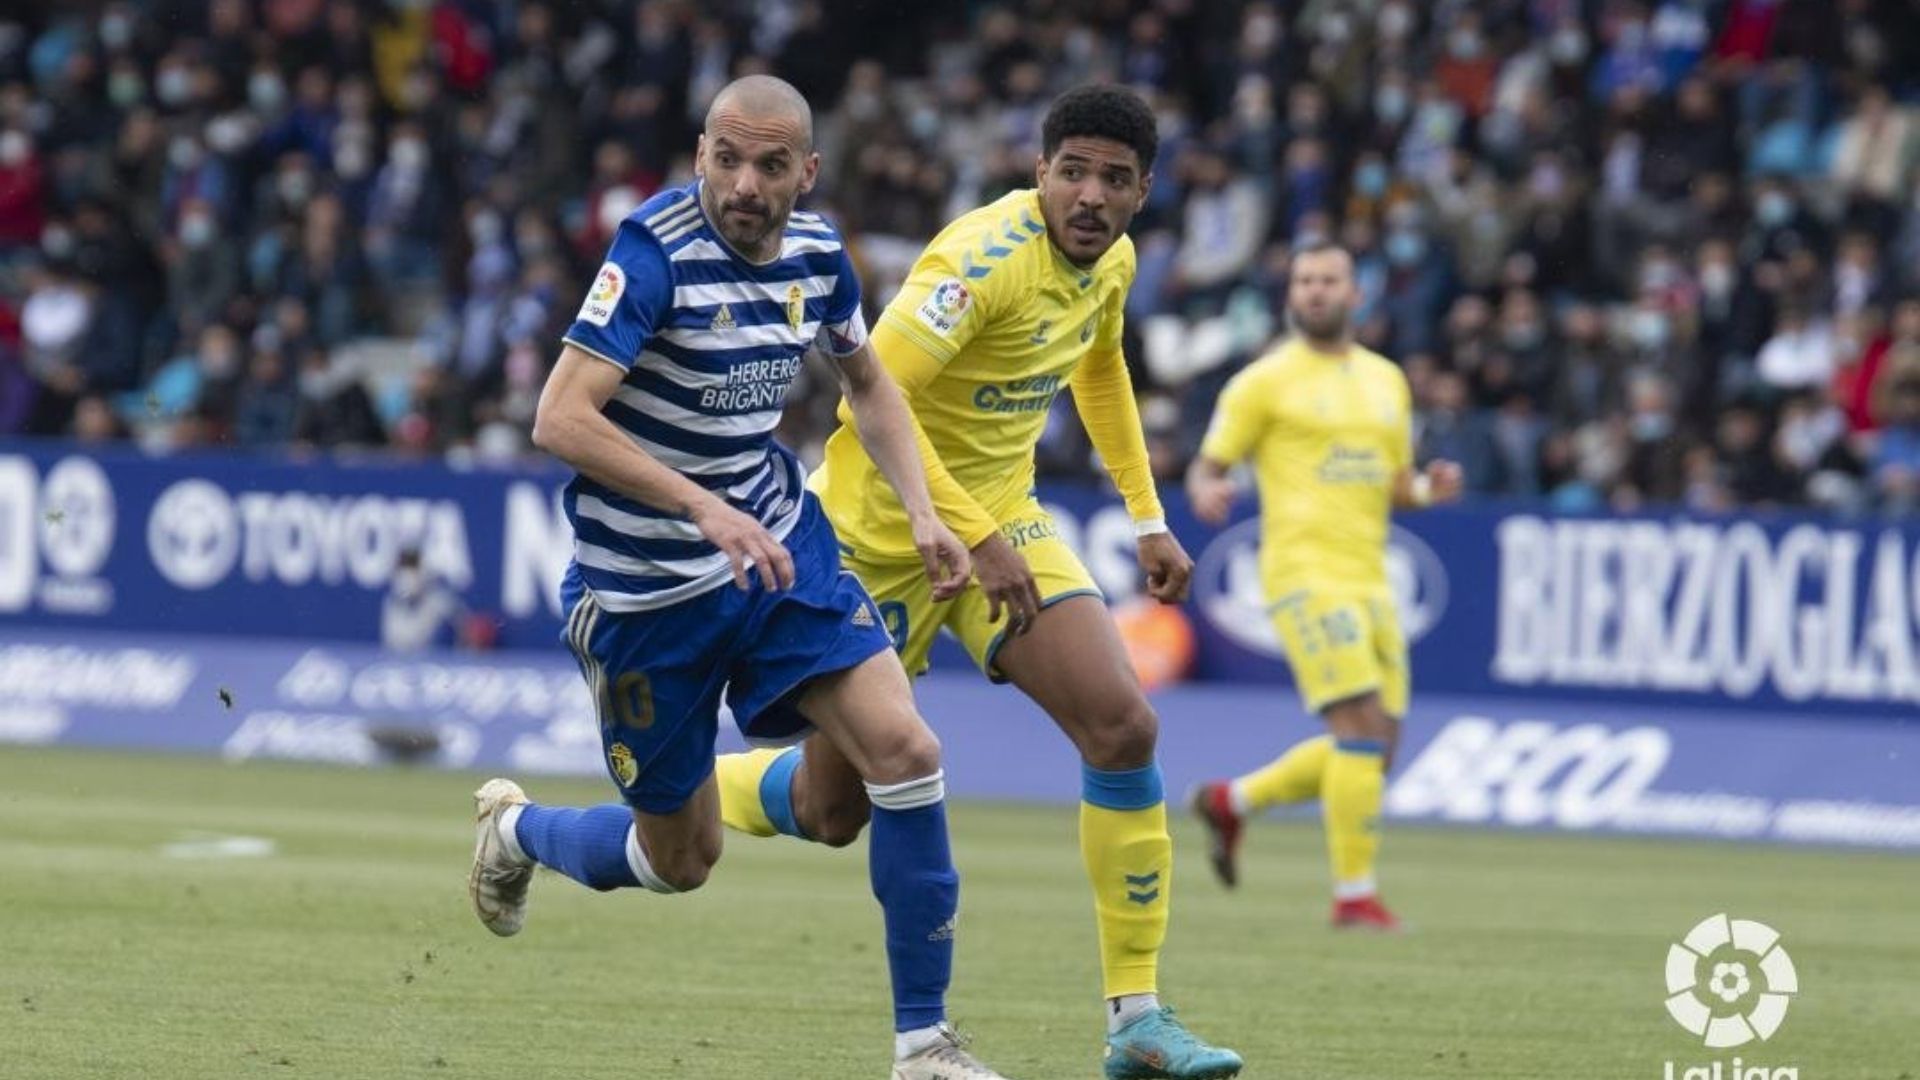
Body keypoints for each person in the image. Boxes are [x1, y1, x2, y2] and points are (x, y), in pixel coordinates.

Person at [465, 76, 1015, 1080]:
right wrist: (699, 505)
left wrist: (930, 515)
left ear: (807, 172)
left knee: (899, 754)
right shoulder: (654, 254)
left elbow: (871, 384)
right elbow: (560, 418)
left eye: (770, 165)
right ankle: (519, 832)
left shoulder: (818, 253)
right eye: (727, 158)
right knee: (682, 862)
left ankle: (925, 1046)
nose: (745, 183)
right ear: (700, 155)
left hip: (773, 549)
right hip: (643, 596)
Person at [710, 85, 1243, 1080]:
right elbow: (878, 400)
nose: (1090, 195)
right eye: (1072, 172)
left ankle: (1137, 1020)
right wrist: (966, 528)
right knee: (837, 814)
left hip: (1000, 521)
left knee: (1124, 726)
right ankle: (688, 791)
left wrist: (1148, 513)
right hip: (872, 537)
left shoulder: (1112, 262)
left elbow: (1100, 364)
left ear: (1143, 193)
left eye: (1114, 180)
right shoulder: (976, 262)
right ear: (1037, 173)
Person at [1184, 242, 1463, 931]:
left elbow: (1399, 483)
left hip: (1373, 577)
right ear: (1291, 294)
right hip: (1303, 573)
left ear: (1355, 293)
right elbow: (1206, 465)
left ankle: (1233, 801)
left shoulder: (1387, 381)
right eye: (1303, 280)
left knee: (1374, 753)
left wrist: (1432, 488)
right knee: (1360, 729)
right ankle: (1354, 895)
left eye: (1327, 280)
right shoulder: (1263, 381)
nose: (1313, 290)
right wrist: (1208, 487)